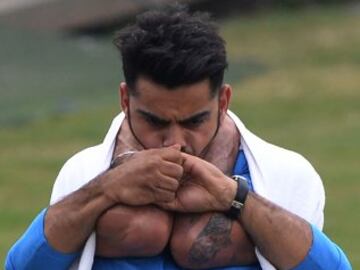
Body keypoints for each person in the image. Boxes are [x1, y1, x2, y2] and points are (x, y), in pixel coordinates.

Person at [6, 5, 352, 270]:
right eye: (154, 121)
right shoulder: (86, 172)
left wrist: (236, 197)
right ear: (126, 100)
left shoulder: (284, 173)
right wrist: (106, 189)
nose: (174, 142)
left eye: (194, 120)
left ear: (223, 101)